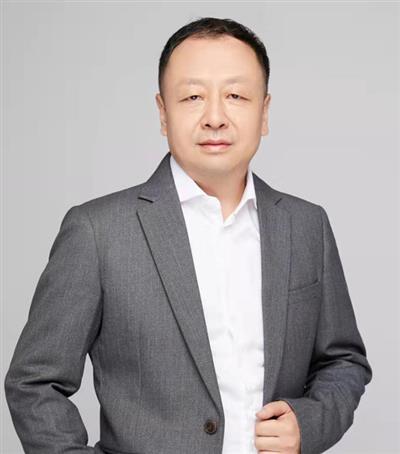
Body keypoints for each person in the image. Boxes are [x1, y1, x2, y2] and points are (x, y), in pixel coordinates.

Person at [4, 17, 372, 454]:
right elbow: (34, 382)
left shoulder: (307, 225)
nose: (215, 118)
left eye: (236, 96)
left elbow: (344, 360)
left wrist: (309, 424)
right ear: (163, 113)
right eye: (193, 97)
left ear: (264, 112)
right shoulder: (98, 232)